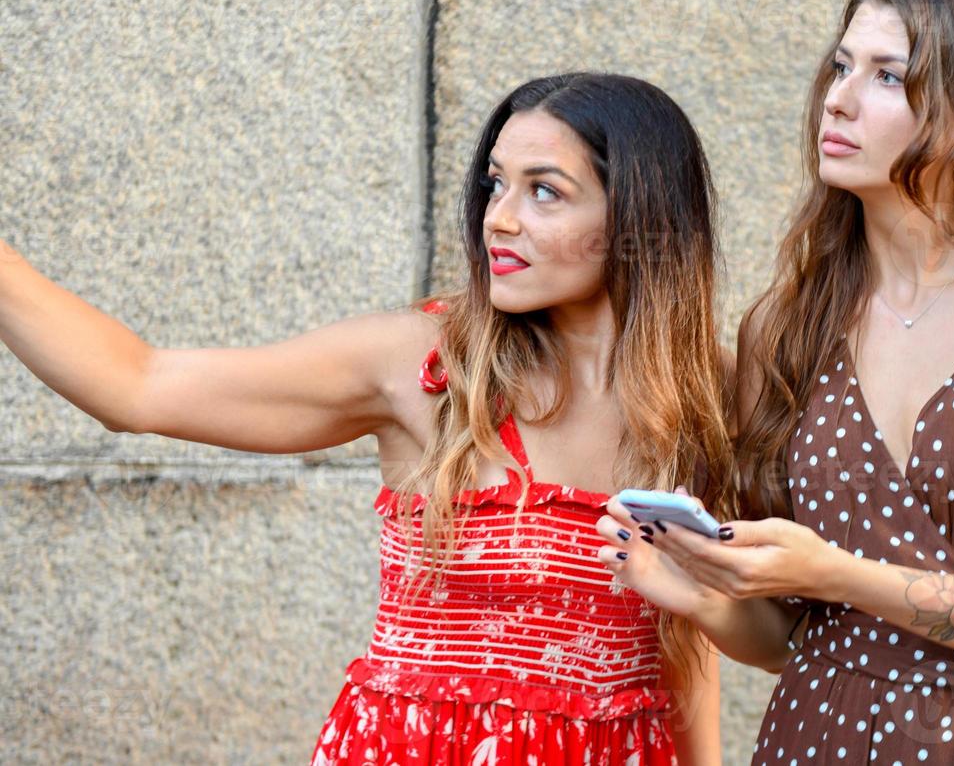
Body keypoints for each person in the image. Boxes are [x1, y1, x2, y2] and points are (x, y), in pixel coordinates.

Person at [0, 72, 732, 765]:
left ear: (640, 215)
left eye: (545, 192)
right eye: (495, 184)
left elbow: (687, 638)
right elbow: (136, 386)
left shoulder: (707, 395)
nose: (498, 219)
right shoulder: (420, 367)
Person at [596, 0, 954, 764]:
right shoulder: (787, 329)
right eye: (841, 65)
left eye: (887, 76)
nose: (840, 97)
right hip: (817, 737)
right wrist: (704, 594)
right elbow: (798, 639)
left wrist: (839, 573)